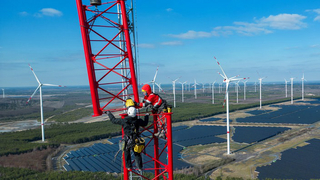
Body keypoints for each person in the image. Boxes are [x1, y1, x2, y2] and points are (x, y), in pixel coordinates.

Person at [106, 98, 149, 170]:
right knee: (137, 153)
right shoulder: (138, 121)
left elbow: (113, 120)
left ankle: (129, 166)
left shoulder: (124, 121)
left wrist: (109, 113)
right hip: (136, 140)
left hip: (127, 140)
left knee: (127, 153)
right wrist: (146, 115)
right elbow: (145, 123)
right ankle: (139, 167)